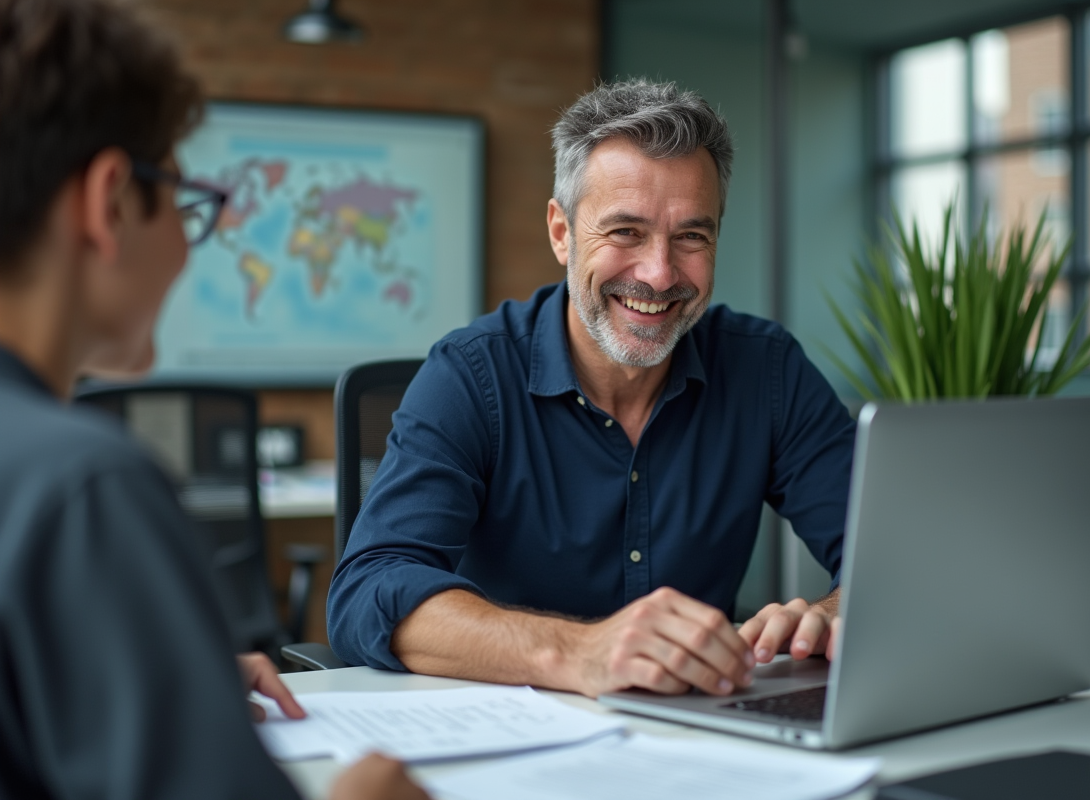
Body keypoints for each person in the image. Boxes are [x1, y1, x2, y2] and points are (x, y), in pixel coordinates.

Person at [0, 0, 429, 797]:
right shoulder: (84, 488)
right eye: (186, 203)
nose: (183, 250)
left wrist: (151, 671)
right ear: (111, 201)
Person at [328, 79, 856, 698]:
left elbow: (891, 550)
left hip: (700, 736)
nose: (659, 274)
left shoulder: (766, 370)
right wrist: (578, 653)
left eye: (691, 236)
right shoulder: (470, 375)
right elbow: (368, 592)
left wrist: (835, 613)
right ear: (562, 232)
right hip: (504, 740)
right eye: (625, 232)